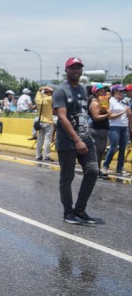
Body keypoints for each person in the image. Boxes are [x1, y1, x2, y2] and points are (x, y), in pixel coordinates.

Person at [52, 57, 99, 225]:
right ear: (66, 70)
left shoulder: (83, 90)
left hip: (86, 138)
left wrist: (84, 138)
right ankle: (68, 213)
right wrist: (77, 140)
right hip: (68, 142)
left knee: (93, 171)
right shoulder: (60, 91)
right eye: (73, 68)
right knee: (67, 177)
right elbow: (62, 117)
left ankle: (80, 209)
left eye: (79, 68)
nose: (77, 71)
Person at [102, 84, 131, 176]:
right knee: (113, 147)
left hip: (124, 126)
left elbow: (129, 115)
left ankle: (119, 168)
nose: (123, 93)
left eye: (123, 91)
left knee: (123, 148)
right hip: (114, 127)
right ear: (115, 92)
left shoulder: (123, 102)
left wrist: (130, 125)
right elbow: (109, 117)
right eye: (120, 91)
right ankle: (105, 166)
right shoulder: (109, 101)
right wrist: (122, 112)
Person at [88, 84, 110, 179]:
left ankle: (97, 169)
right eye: (101, 91)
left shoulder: (101, 101)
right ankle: (94, 171)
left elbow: (105, 112)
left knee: (101, 151)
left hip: (102, 129)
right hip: (97, 129)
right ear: (96, 93)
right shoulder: (95, 103)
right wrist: (107, 115)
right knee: (97, 151)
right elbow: (96, 117)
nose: (104, 92)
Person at [34, 86, 55, 162]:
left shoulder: (38, 99)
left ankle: (38, 155)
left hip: (41, 122)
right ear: (48, 92)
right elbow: (55, 94)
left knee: (39, 139)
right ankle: (46, 156)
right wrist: (51, 89)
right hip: (48, 121)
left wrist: (43, 88)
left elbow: (38, 91)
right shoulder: (49, 99)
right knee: (47, 140)